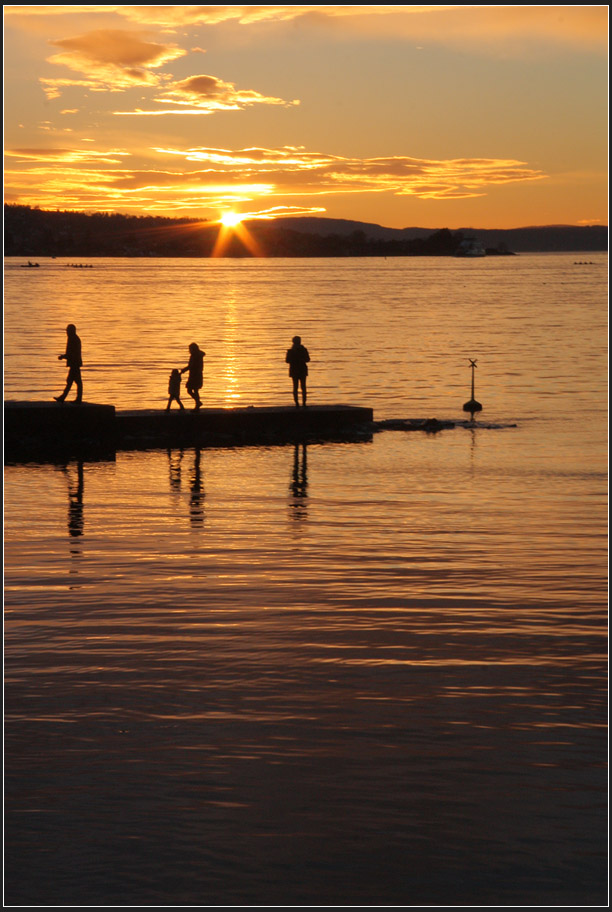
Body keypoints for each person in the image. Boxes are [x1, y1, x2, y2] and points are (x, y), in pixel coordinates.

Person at [54, 323, 83, 403]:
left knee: (74, 381)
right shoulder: (73, 338)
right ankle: (64, 398)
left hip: (74, 363)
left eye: (67, 330)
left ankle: (76, 399)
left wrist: (63, 357)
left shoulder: (73, 339)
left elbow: (71, 353)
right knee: (72, 381)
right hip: (74, 363)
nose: (66, 332)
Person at [286, 335, 310, 407]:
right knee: (300, 387)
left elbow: (307, 359)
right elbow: (287, 360)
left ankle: (301, 403)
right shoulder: (293, 351)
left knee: (299, 387)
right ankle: (300, 403)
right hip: (298, 370)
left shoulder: (292, 351)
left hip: (298, 370)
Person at [181, 343, 205, 409]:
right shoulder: (197, 355)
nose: (189, 350)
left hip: (195, 375)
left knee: (193, 390)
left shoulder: (195, 356)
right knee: (193, 390)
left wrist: (184, 370)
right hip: (195, 375)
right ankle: (198, 403)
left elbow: (192, 365)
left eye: (190, 349)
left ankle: (197, 403)